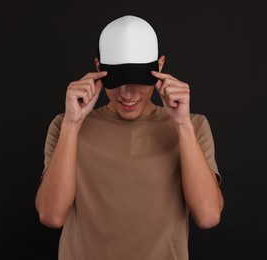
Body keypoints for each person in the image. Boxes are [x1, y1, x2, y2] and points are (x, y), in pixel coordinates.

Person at [35, 14, 224, 260]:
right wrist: (73, 124)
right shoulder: (64, 125)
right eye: (117, 81)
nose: (127, 93)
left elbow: (208, 216)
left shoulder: (193, 126)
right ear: (98, 68)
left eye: (138, 80)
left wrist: (182, 125)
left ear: (160, 66)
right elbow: (51, 216)